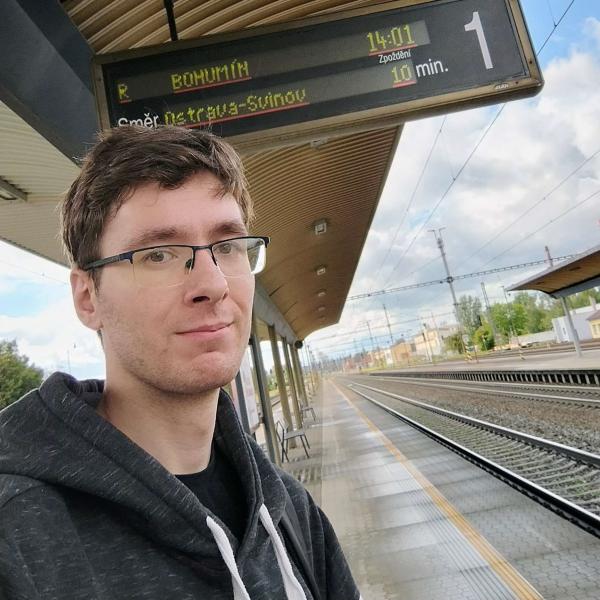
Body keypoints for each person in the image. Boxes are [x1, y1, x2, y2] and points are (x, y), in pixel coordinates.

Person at [0, 126, 361, 600]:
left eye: (227, 246)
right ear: (88, 298)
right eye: (158, 255)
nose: (212, 284)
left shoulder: (292, 513)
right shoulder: (19, 540)